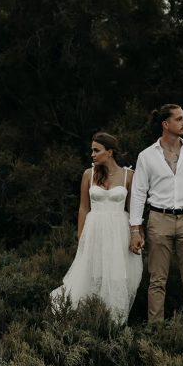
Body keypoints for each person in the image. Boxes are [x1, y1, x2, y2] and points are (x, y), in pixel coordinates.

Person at [129, 104, 183, 321]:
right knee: (157, 281)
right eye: (179, 119)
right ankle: (156, 331)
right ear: (165, 124)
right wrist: (135, 229)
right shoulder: (146, 156)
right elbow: (139, 192)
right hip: (159, 219)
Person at [51, 132, 143, 324]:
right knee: (93, 273)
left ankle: (114, 321)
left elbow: (133, 209)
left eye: (96, 150)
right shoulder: (89, 174)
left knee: (117, 275)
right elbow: (84, 207)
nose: (92, 154)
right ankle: (90, 317)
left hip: (119, 230)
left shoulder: (129, 175)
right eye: (92, 150)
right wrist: (81, 235)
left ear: (109, 152)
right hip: (94, 230)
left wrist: (137, 233)